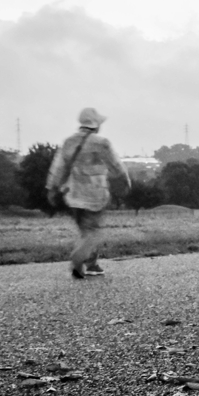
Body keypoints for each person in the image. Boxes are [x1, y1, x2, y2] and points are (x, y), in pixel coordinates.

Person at [46, 107, 130, 279]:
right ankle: (77, 258)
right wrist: (125, 181)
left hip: (73, 194)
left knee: (85, 232)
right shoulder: (101, 143)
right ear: (96, 125)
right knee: (93, 232)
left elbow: (58, 168)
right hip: (96, 195)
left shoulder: (68, 142)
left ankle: (92, 265)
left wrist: (52, 188)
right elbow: (116, 166)